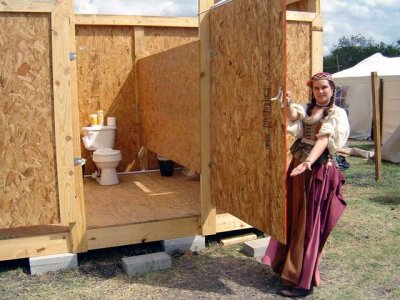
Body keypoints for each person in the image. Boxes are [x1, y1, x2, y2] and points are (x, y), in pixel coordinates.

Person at [262, 72, 350, 298]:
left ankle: (304, 281)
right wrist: (288, 102)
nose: (320, 92)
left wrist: (309, 162)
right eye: (316, 88)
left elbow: (323, 139)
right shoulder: (308, 109)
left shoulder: (336, 113)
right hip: (299, 167)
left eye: (325, 88)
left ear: (332, 89)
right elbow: (293, 115)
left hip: (318, 170)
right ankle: (288, 268)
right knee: (294, 216)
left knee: (309, 223)